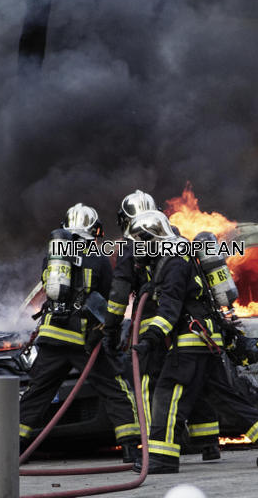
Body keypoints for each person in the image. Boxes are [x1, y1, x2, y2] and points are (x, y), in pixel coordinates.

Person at [127, 210, 258, 474]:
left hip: (190, 343)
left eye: (140, 243)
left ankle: (163, 459)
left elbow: (171, 308)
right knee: (226, 397)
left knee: (168, 394)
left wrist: (150, 338)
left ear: (151, 238)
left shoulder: (173, 262)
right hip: (206, 339)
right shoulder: (182, 255)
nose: (138, 250)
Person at [103, 190, 223, 462]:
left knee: (149, 383)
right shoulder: (174, 237)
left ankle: (152, 448)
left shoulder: (130, 244)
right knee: (192, 385)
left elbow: (119, 294)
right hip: (180, 326)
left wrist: (110, 329)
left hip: (152, 326)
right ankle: (208, 443)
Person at [19, 203, 141, 462]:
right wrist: (109, 331)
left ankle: (13, 448)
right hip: (83, 339)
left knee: (37, 393)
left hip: (52, 337)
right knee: (115, 388)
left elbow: (49, 291)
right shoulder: (98, 257)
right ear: (94, 229)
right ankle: (131, 448)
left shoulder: (53, 256)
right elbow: (112, 298)